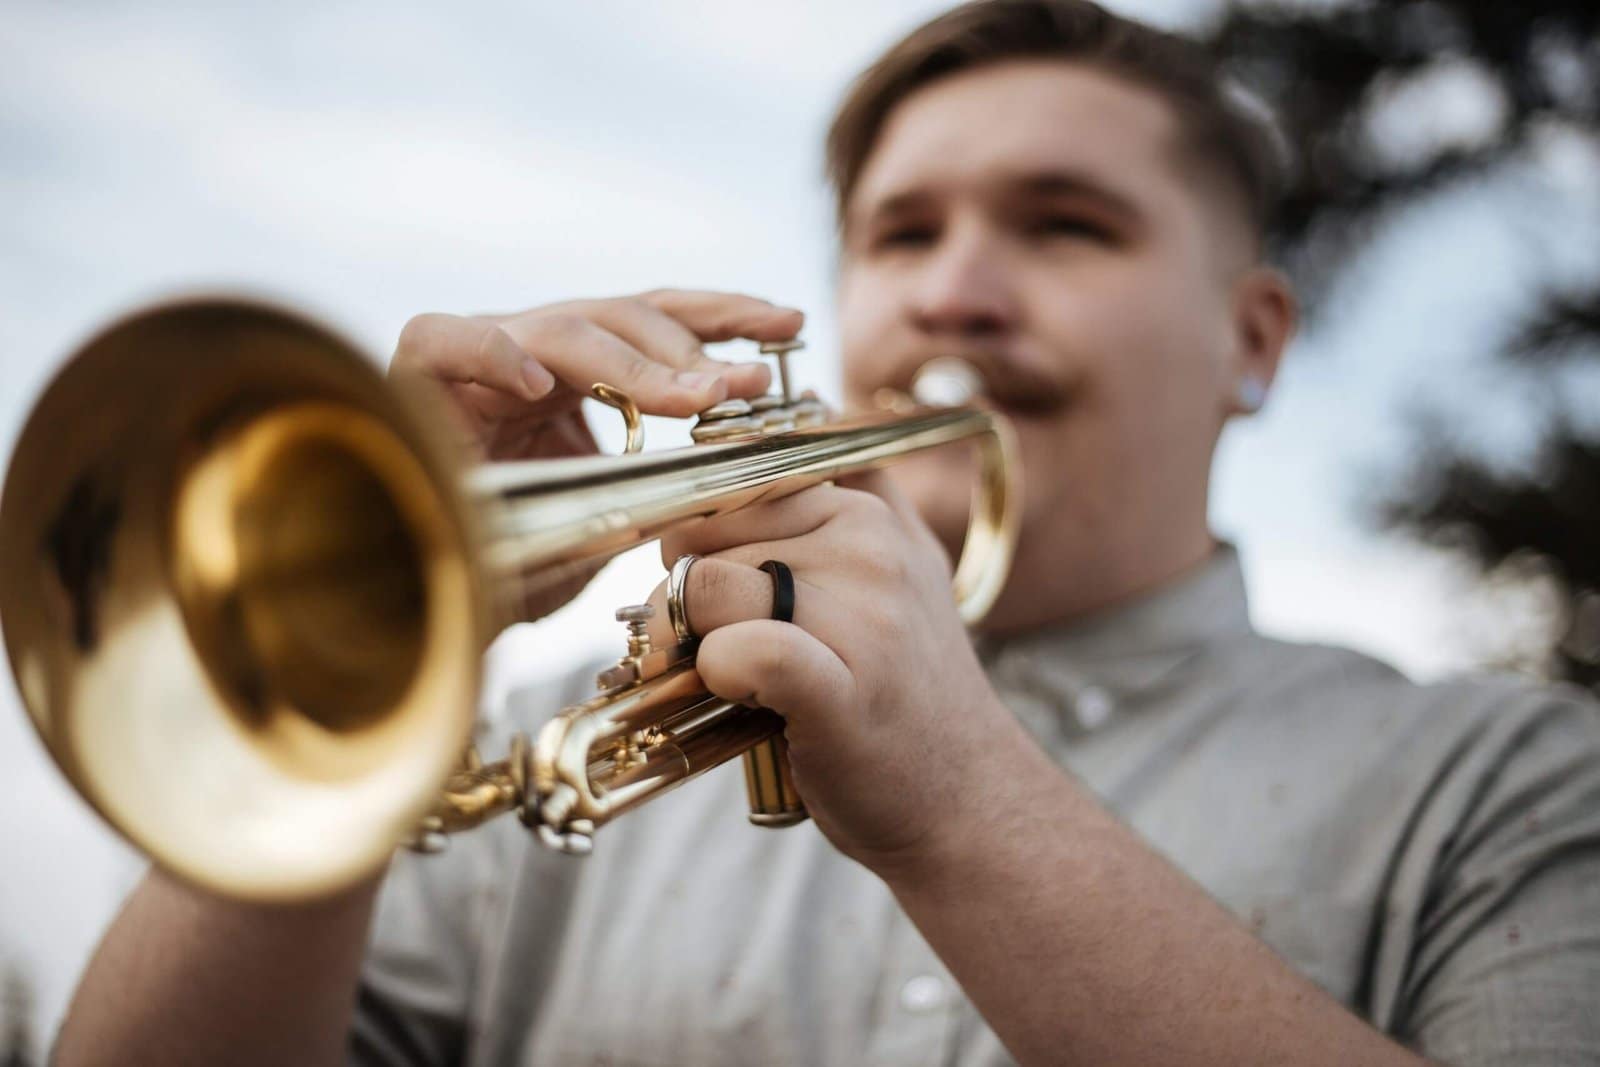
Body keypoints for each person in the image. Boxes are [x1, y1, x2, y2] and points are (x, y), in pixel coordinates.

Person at [51, 2, 1600, 1065]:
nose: (955, 293)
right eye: (902, 235)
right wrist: (353, 657)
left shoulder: (1515, 783)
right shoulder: (532, 753)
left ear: (1253, 341)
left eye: (1067, 224)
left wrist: (965, 808)